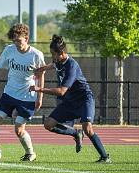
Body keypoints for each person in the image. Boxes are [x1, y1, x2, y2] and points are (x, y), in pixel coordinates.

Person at [29, 35, 111, 163]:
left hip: (84, 99)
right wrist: (39, 69)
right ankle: (75, 133)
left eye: (53, 54)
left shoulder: (71, 65)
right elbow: (52, 66)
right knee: (48, 124)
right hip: (70, 101)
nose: (52, 57)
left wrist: (39, 89)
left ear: (61, 53)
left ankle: (105, 157)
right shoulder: (58, 62)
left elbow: (61, 92)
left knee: (88, 129)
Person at [0, 23, 46, 162]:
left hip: (27, 97)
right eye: (14, 40)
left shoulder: (36, 55)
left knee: (19, 130)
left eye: (18, 40)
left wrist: (40, 96)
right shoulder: (9, 50)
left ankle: (30, 153)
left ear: (26, 38)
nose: (16, 43)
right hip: (9, 94)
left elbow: (41, 75)